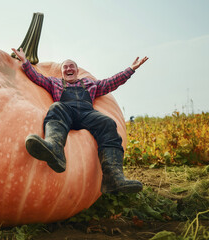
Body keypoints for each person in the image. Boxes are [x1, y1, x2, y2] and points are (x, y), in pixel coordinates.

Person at [12, 48, 148, 194]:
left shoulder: (90, 84)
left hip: (87, 114)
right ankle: (55, 150)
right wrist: (25, 62)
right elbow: (37, 77)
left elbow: (111, 82)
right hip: (66, 112)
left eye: (72, 66)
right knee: (56, 107)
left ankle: (113, 178)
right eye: (65, 67)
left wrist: (131, 69)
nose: (69, 68)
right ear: (62, 71)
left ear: (77, 71)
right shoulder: (54, 82)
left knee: (108, 123)